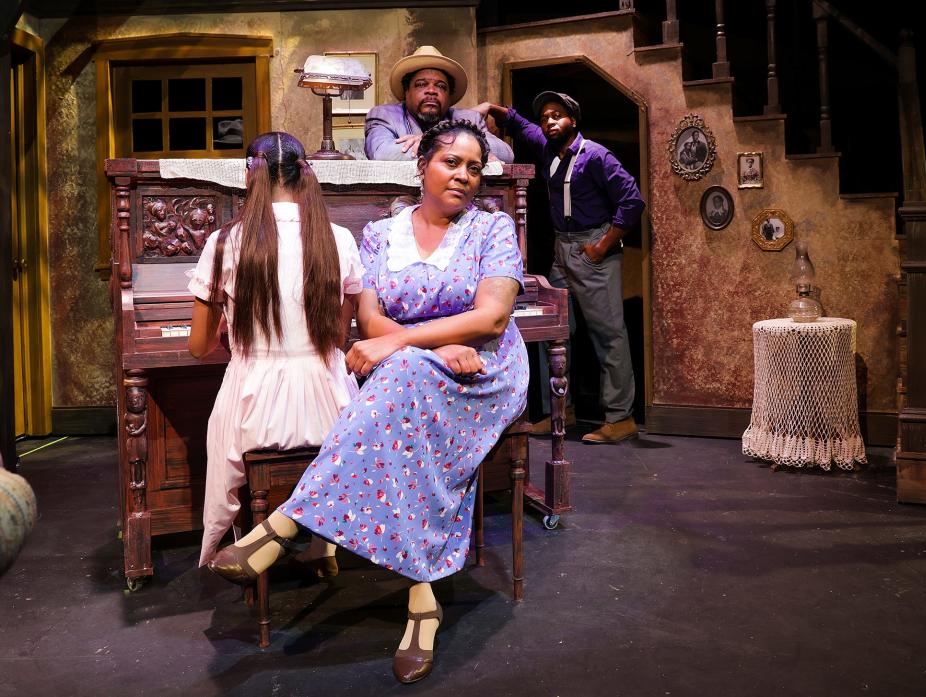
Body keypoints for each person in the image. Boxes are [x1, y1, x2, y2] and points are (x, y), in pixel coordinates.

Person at [206, 120, 529, 684]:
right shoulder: (382, 233)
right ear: (421, 165)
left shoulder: (493, 228)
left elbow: (492, 317)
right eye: (452, 162)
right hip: (415, 370)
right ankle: (423, 603)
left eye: (475, 168)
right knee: (402, 398)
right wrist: (413, 344)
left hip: (483, 366)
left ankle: (285, 524)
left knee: (396, 375)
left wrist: (409, 341)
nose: (465, 176)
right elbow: (370, 317)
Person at [187, 132, 363, 570]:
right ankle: (324, 545)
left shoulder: (225, 242)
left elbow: (197, 348)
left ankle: (243, 544)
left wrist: (232, 327)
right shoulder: (338, 238)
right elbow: (338, 336)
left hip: (258, 406)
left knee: (223, 421)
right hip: (330, 404)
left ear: (251, 174)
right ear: (307, 173)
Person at [477, 92, 645, 444]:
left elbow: (632, 200)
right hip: (561, 248)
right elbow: (521, 124)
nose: (550, 122)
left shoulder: (596, 156)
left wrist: (602, 245)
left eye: (558, 115)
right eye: (546, 117)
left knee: (608, 333)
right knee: (554, 331)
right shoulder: (547, 147)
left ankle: (621, 417)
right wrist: (491, 110)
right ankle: (560, 411)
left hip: (591, 247)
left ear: (574, 120)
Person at [364, 46, 514, 163]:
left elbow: (506, 154)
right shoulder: (384, 115)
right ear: (406, 92)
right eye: (421, 84)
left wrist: (434, 140)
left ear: (449, 97)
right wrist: (465, 148)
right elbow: (381, 153)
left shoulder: (470, 118)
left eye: (441, 86)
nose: (431, 91)